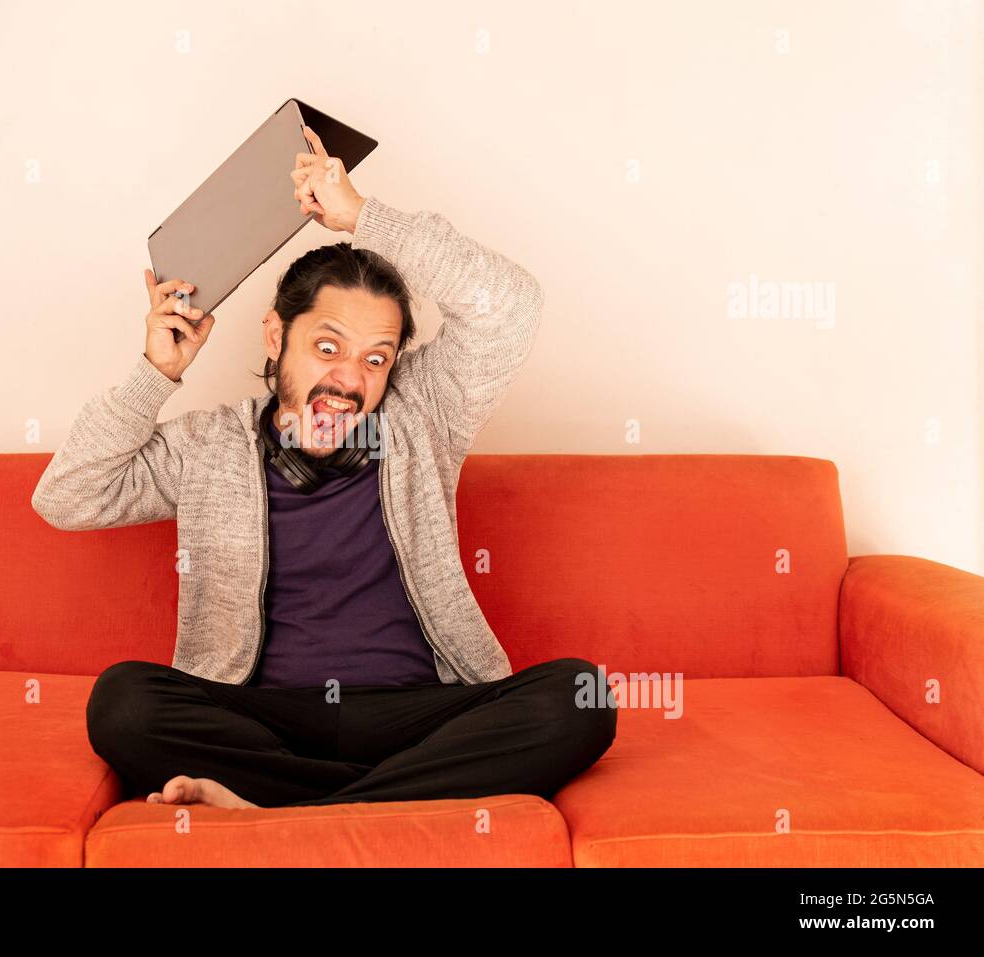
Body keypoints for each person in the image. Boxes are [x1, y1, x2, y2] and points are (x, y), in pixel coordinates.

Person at [32, 126, 617, 809]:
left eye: (376, 357)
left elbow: (512, 306)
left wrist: (365, 217)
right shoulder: (208, 447)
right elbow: (67, 497)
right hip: (266, 719)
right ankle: (393, 801)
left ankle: (292, 805)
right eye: (329, 345)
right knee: (123, 702)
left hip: (420, 714)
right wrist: (154, 376)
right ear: (278, 337)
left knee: (584, 695)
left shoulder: (422, 416)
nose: (350, 378)